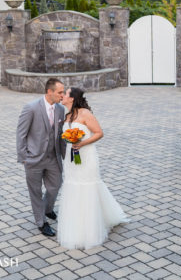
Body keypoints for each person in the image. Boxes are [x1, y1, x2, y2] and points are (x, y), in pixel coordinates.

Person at [58, 87, 129, 250]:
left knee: (88, 187)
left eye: (65, 94)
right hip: (71, 159)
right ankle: (75, 225)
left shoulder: (85, 114)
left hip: (87, 157)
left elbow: (98, 133)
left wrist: (81, 143)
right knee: (73, 186)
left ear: (72, 98)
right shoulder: (67, 115)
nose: (62, 96)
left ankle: (90, 229)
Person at [16, 78, 66, 237]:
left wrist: (67, 152)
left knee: (56, 185)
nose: (62, 95)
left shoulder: (60, 109)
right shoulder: (31, 108)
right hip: (33, 158)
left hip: (53, 157)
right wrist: (24, 157)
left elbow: (59, 134)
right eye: (60, 92)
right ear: (49, 92)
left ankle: (47, 208)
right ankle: (41, 222)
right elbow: (21, 134)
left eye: (63, 92)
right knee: (35, 192)